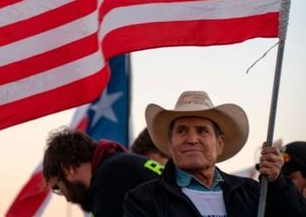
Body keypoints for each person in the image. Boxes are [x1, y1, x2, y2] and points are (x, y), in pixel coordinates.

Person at [124, 91, 306, 216]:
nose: (192, 139)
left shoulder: (252, 192)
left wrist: (277, 183)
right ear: (170, 143)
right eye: (181, 131)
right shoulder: (143, 199)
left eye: (202, 131)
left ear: (219, 144)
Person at [42, 128, 162, 216]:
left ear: (69, 169)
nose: (67, 198)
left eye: (59, 188)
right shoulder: (122, 165)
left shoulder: (107, 182)